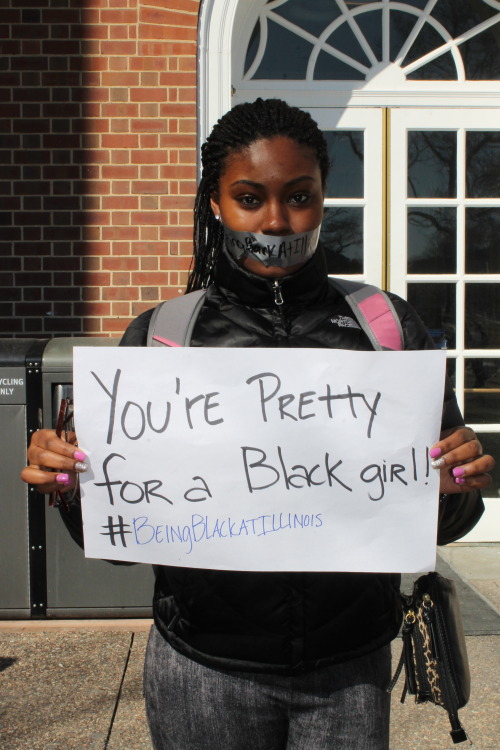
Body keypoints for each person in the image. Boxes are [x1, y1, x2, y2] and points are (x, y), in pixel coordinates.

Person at [21, 99, 494, 750]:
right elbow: (123, 537)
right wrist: (69, 486)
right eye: (250, 197)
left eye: (299, 196)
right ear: (215, 203)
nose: (276, 220)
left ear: (324, 198)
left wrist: (457, 485)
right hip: (202, 671)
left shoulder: (385, 330)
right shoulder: (162, 339)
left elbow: (444, 517)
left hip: (349, 671)